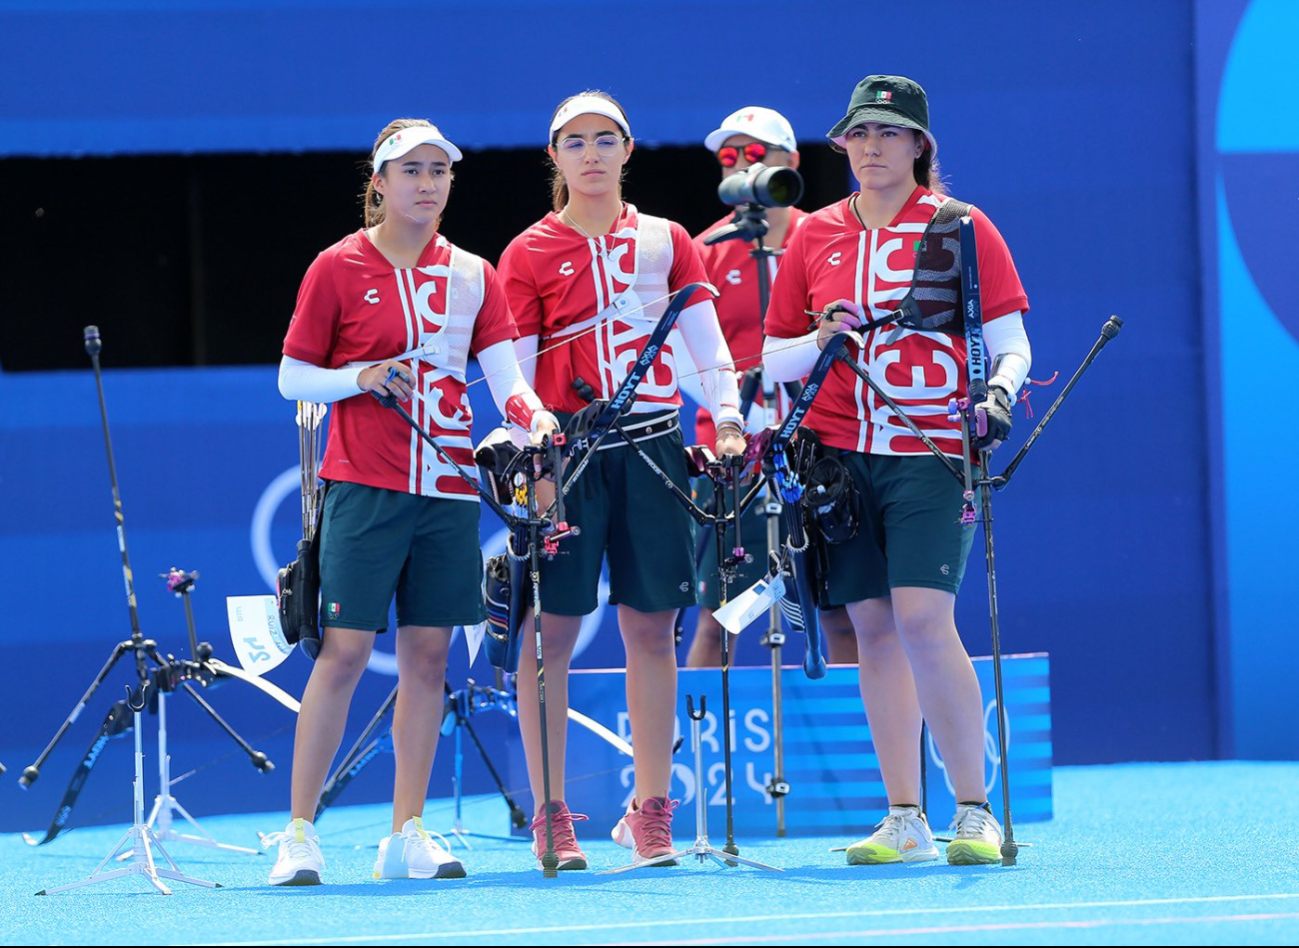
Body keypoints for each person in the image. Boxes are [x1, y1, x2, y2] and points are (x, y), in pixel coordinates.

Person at [267, 119, 558, 885]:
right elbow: (293, 378)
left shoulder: (473, 273)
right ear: (380, 181)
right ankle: (298, 832)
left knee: (429, 658)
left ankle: (407, 832)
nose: (426, 183)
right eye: (411, 170)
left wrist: (534, 415)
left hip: (447, 490)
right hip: (363, 486)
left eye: (439, 171)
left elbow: (507, 379)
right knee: (346, 654)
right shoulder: (336, 266)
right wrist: (358, 378)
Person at [762, 76, 1032, 866]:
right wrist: (821, 339)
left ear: (919, 145)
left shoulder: (960, 227)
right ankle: (903, 816)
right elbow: (771, 359)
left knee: (921, 619)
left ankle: (973, 809)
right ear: (841, 144)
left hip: (929, 449)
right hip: (839, 458)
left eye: (888, 132)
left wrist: (999, 395)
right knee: (872, 629)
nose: (871, 146)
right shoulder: (811, 235)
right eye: (857, 133)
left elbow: (1010, 340)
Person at [498, 91, 746, 869]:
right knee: (550, 635)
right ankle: (551, 815)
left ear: (628, 150)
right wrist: (533, 435)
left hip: (651, 447)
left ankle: (650, 812)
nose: (592, 154)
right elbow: (507, 371)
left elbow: (706, 352)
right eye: (575, 142)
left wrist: (730, 418)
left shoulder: (668, 241)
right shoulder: (526, 251)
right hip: (564, 455)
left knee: (651, 628)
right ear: (554, 157)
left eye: (606, 140)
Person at [685, 106, 858, 669]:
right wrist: (735, 411)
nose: (742, 167)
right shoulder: (702, 251)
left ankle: (869, 750)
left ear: (792, 163)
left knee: (843, 613)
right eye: (730, 157)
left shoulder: (830, 238)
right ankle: (705, 756)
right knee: (721, 622)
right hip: (735, 456)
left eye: (756, 155)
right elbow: (674, 359)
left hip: (826, 447)